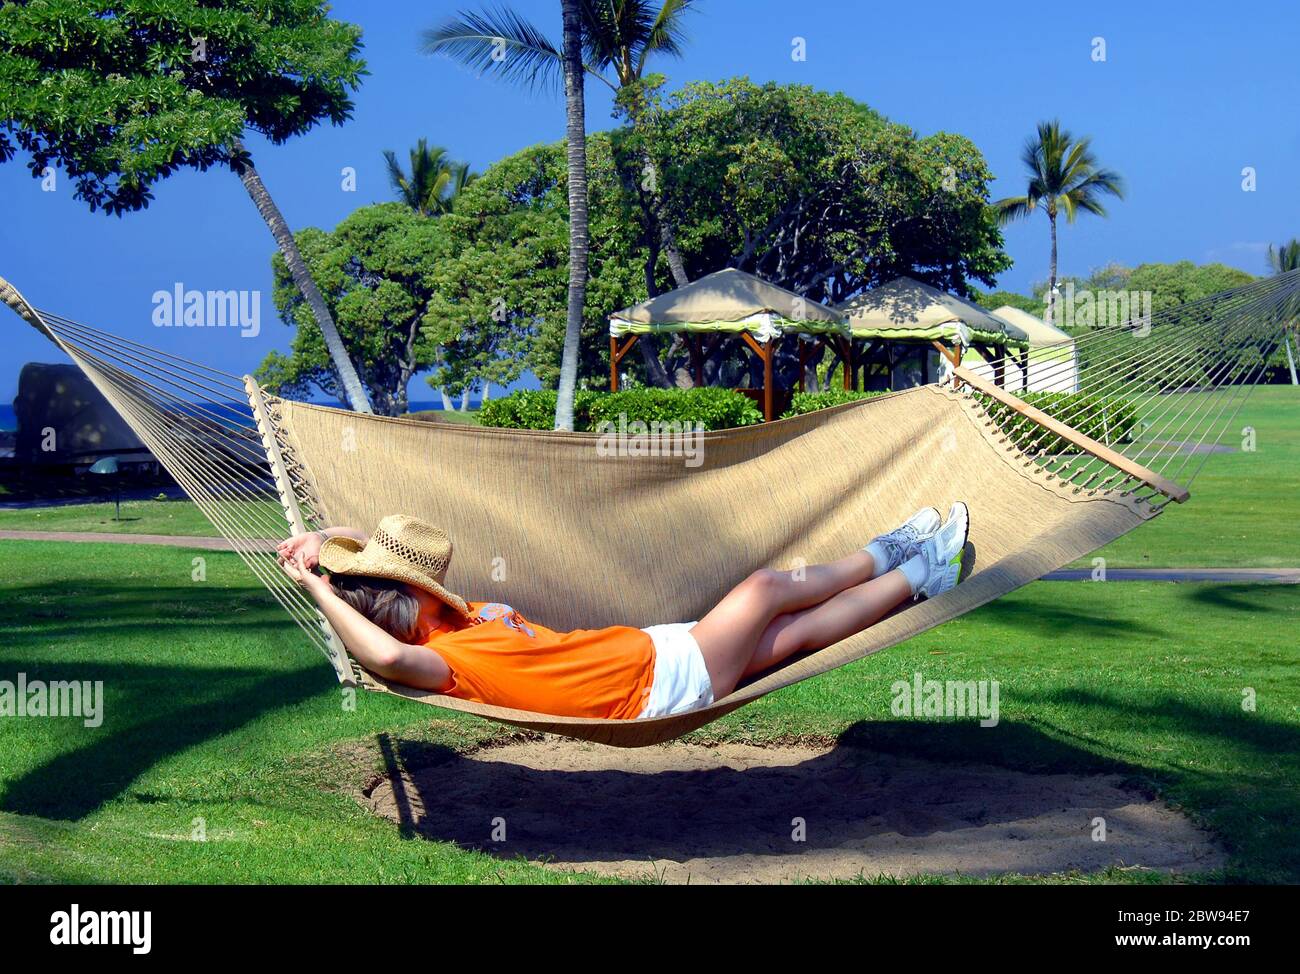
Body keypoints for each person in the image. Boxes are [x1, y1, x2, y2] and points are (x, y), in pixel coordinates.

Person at [277, 504, 969, 721]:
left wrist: (322, 541)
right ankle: (891, 554)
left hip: (654, 651)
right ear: (410, 596)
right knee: (764, 590)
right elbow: (387, 657)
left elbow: (385, 566)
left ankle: (917, 576)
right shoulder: (445, 663)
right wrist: (320, 589)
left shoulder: (467, 620)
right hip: (656, 689)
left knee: (795, 632)